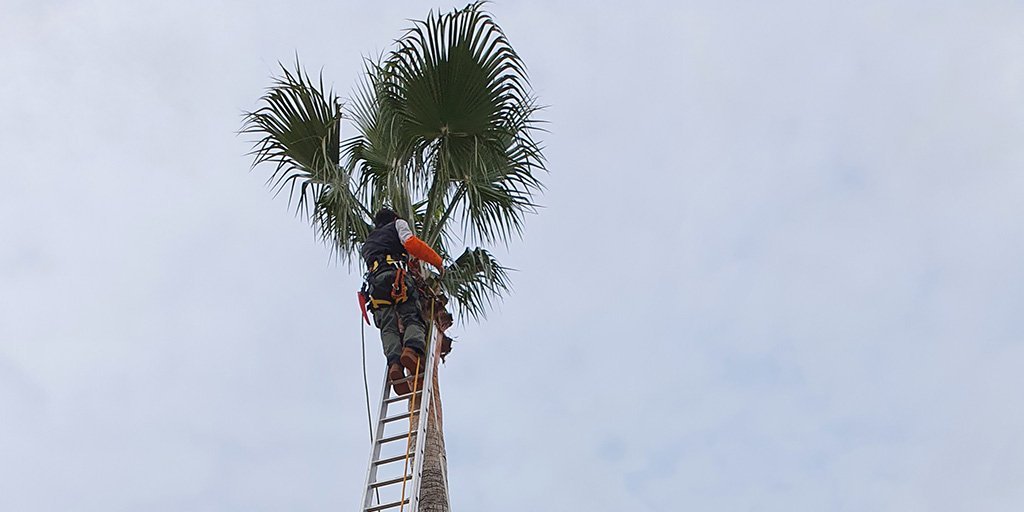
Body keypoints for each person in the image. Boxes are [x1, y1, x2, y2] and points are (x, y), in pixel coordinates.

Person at [360, 208, 444, 395]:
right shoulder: (397, 225)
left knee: (388, 326)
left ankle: (394, 364)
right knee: (411, 316)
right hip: (396, 277)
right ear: (395, 218)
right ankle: (411, 351)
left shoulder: (368, 243)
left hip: (376, 286)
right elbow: (410, 243)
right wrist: (437, 261)